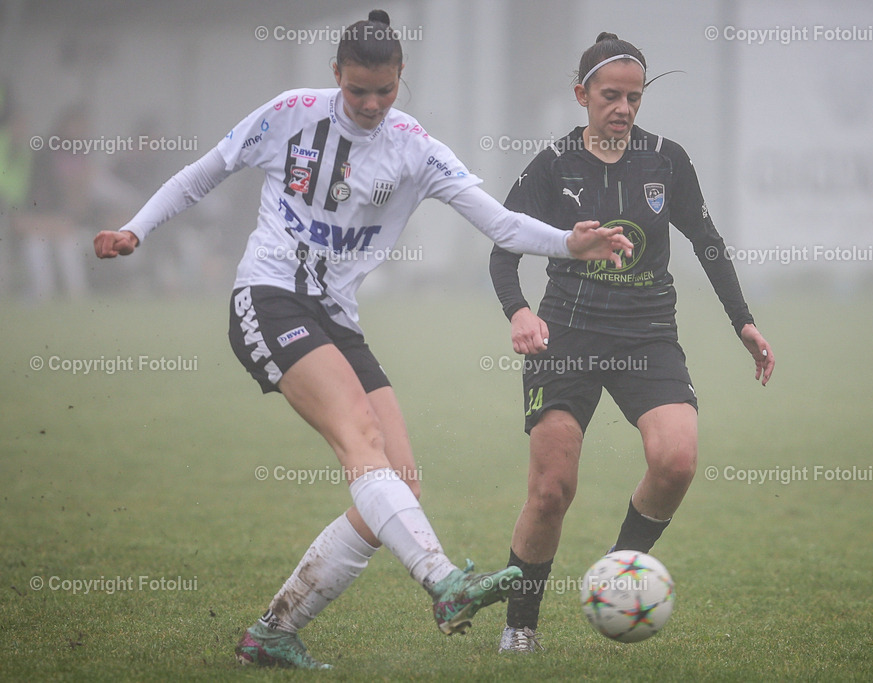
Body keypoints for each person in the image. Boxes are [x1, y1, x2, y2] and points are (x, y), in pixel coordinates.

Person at [93, 11, 631, 670]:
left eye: (384, 90)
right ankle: (445, 584)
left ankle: (273, 630)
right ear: (335, 78)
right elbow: (202, 173)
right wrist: (136, 228)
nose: (372, 105)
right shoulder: (289, 115)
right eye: (357, 92)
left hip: (337, 318)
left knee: (397, 490)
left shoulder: (415, 148)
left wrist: (570, 243)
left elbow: (502, 223)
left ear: (401, 78)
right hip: (268, 298)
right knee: (364, 444)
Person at [489, 32, 775, 653]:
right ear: (582, 95)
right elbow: (502, 252)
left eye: (633, 98)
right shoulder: (553, 164)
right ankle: (520, 626)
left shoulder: (665, 160)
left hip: (647, 332)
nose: (622, 108)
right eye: (610, 96)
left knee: (676, 462)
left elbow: (706, 238)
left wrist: (742, 321)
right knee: (551, 490)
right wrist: (517, 312)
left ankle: (617, 575)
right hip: (566, 333)